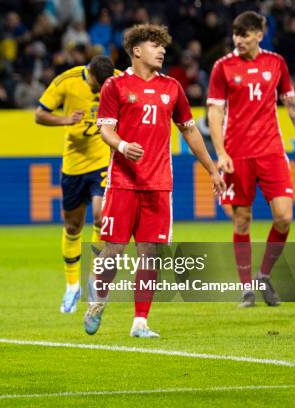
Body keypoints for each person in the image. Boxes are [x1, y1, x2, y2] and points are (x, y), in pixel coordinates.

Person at [85, 24, 224, 338]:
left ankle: (140, 322)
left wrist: (212, 169)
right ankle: (98, 302)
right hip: (122, 182)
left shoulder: (172, 88)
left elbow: (189, 130)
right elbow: (105, 129)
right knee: (113, 253)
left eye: (163, 46)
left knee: (150, 255)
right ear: (136, 50)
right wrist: (122, 145)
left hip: (159, 184)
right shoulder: (115, 86)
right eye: (154, 45)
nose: (162, 50)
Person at [207, 11, 295, 308]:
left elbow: (292, 104)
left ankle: (263, 275)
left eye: (244, 34)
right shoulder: (223, 67)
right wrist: (220, 152)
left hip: (271, 151)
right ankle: (247, 289)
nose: (239, 40)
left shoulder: (276, 62)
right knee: (242, 220)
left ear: (259, 34)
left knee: (284, 217)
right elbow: (215, 112)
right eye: (235, 34)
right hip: (237, 154)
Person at [35, 55, 117, 314]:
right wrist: (65, 120)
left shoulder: (116, 78)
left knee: (101, 215)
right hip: (73, 165)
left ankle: (94, 277)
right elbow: (40, 115)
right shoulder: (66, 81)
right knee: (73, 225)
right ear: (89, 73)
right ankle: (72, 286)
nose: (99, 91)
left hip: (103, 159)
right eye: (96, 85)